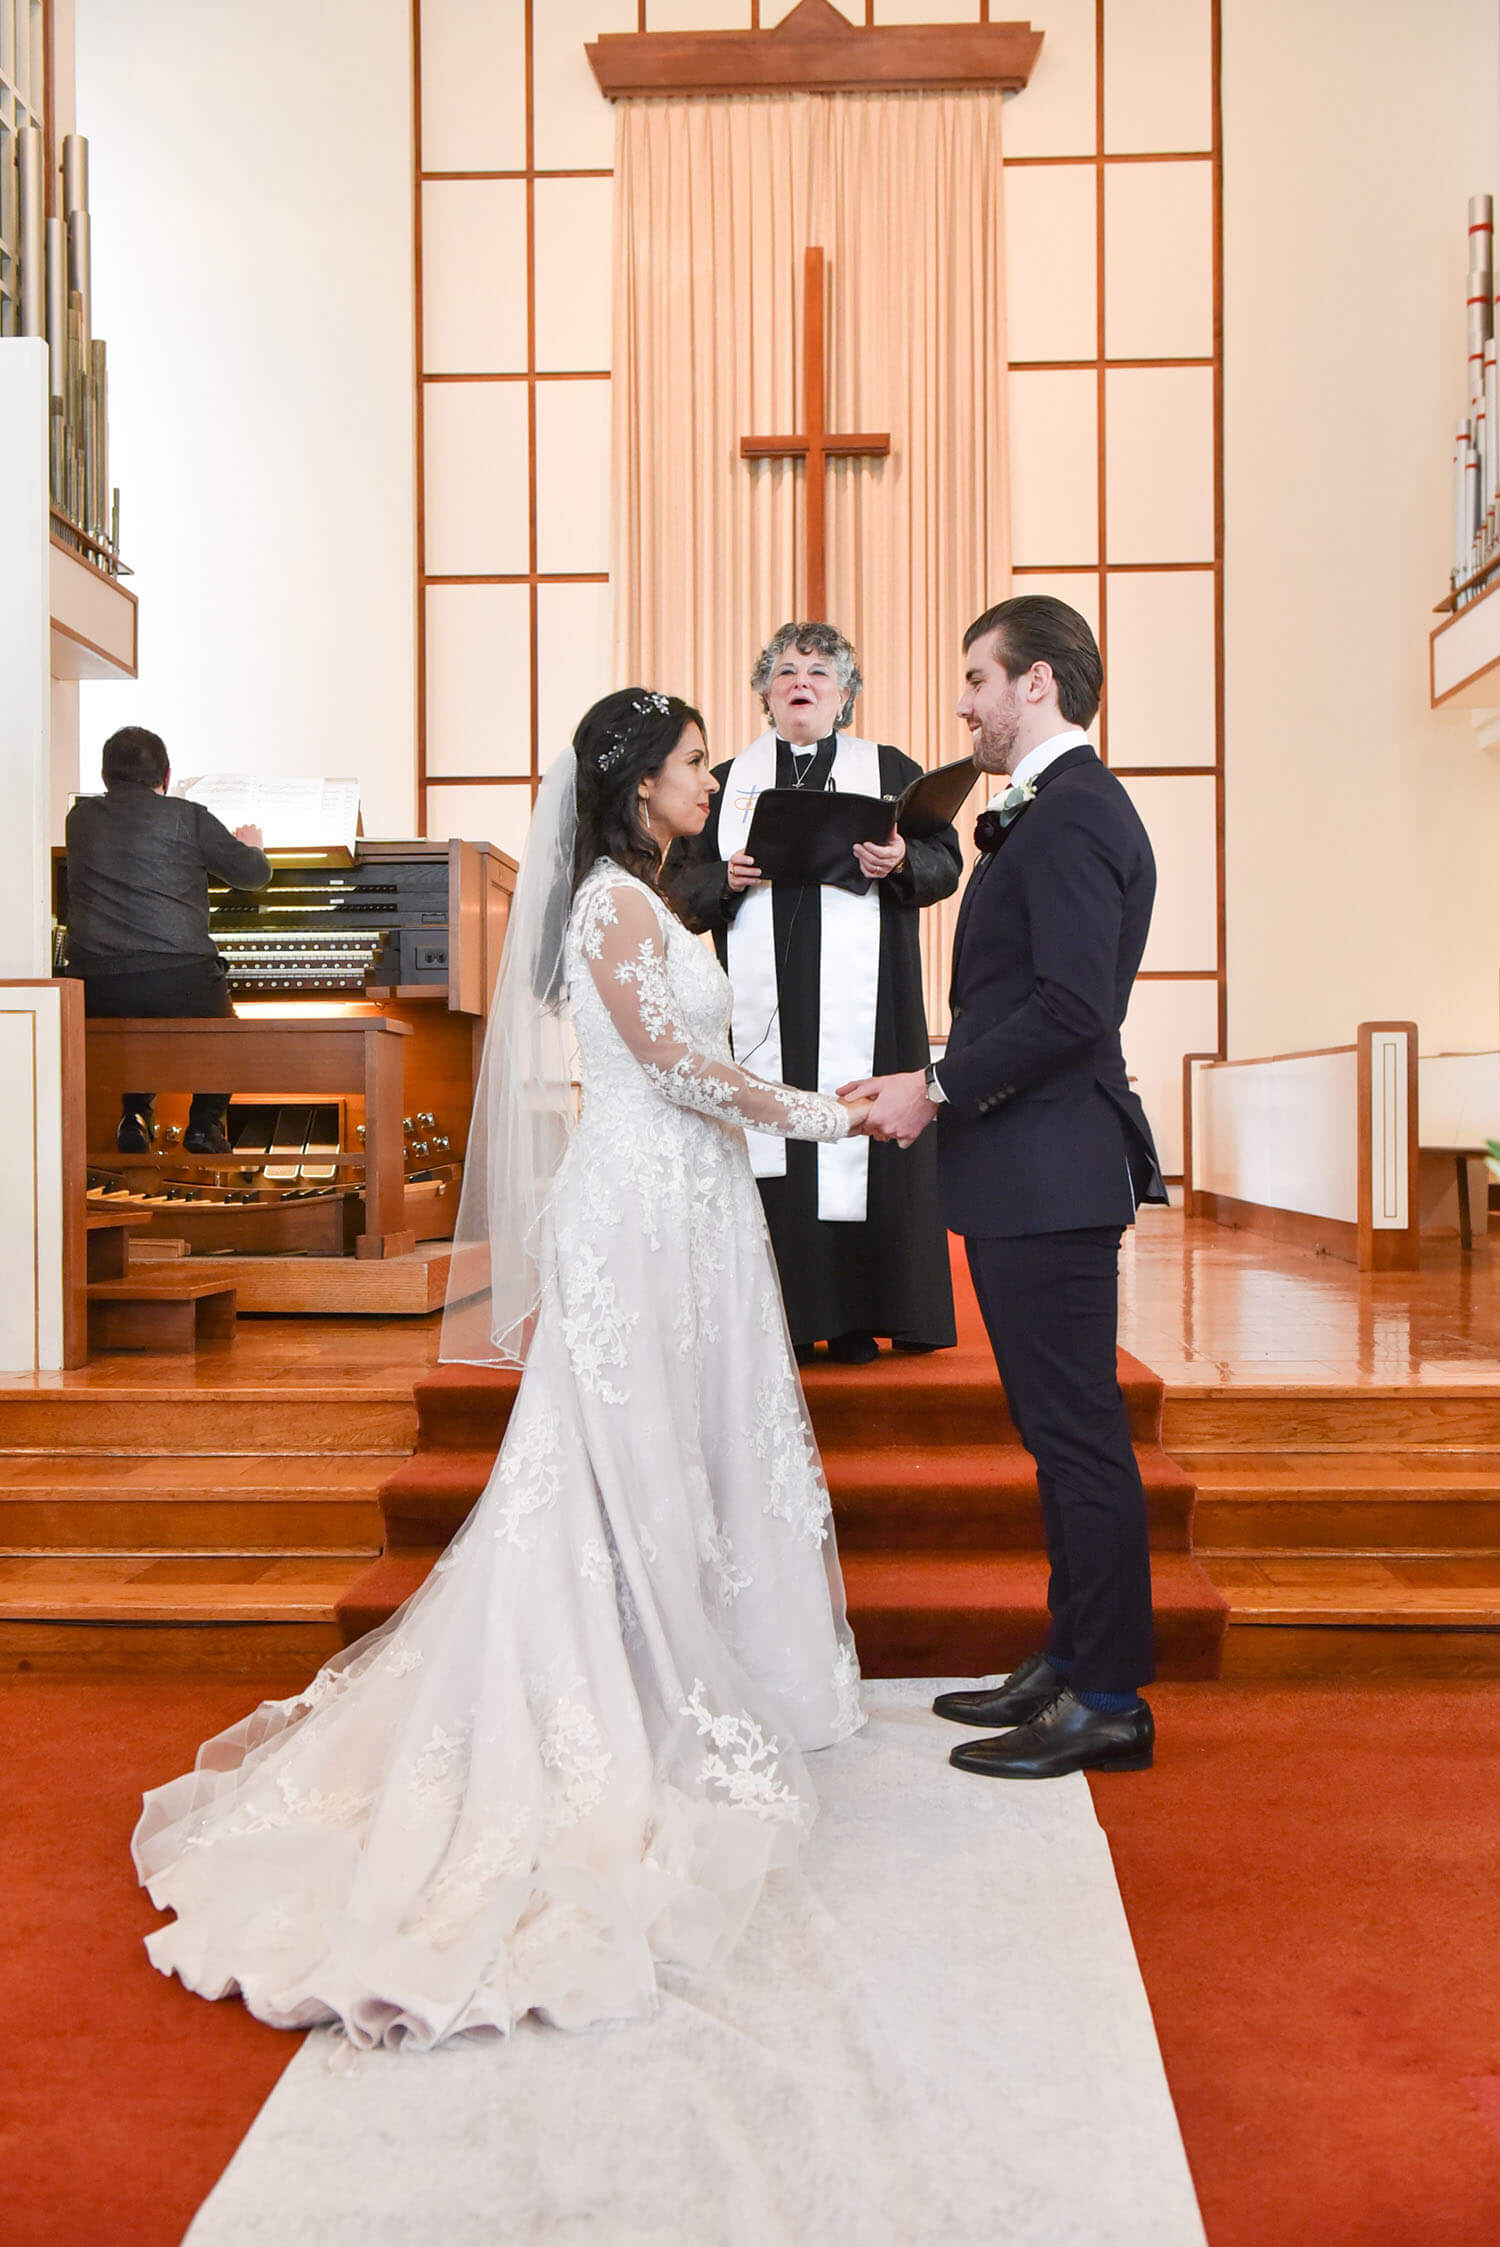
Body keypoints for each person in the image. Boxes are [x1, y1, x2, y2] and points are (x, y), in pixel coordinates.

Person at [132, 689, 869, 2049]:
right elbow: (682, 1072)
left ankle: (684, 1648)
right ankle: (622, 1680)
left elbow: (690, 1060)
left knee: (671, 1436)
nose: (711, 781)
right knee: (613, 1449)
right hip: (645, 1207)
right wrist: (834, 1110)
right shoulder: (610, 906)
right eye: (697, 763)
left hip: (679, 1203)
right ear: (640, 780)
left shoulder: (635, 894)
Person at [843, 596, 1168, 1781]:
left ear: (1037, 684)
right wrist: (931, 1072)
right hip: (1029, 1164)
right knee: (1051, 1432)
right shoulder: (1053, 810)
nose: (965, 703)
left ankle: (1110, 1698)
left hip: (1054, 1168)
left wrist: (935, 1085)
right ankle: (1069, 1652)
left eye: (978, 677)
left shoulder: (1076, 812)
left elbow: (1075, 1011)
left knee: (1080, 1440)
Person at [668, 621, 960, 1364]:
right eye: (787, 669)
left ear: (846, 695)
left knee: (859, 1119)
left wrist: (898, 859)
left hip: (871, 1005)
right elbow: (678, 885)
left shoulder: (890, 768)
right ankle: (783, 1318)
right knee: (776, 1137)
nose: (803, 680)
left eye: (821, 671)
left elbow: (943, 862)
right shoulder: (724, 782)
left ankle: (868, 1309)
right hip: (762, 1011)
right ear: (766, 693)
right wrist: (722, 878)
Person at [63, 725, 270, 1153]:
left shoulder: (79, 820)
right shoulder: (187, 816)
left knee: (133, 1011)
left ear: (105, 778)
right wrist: (251, 846)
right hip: (179, 981)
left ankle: (135, 1115)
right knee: (226, 1032)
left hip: (94, 987)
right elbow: (253, 876)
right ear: (167, 775)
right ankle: (204, 1124)